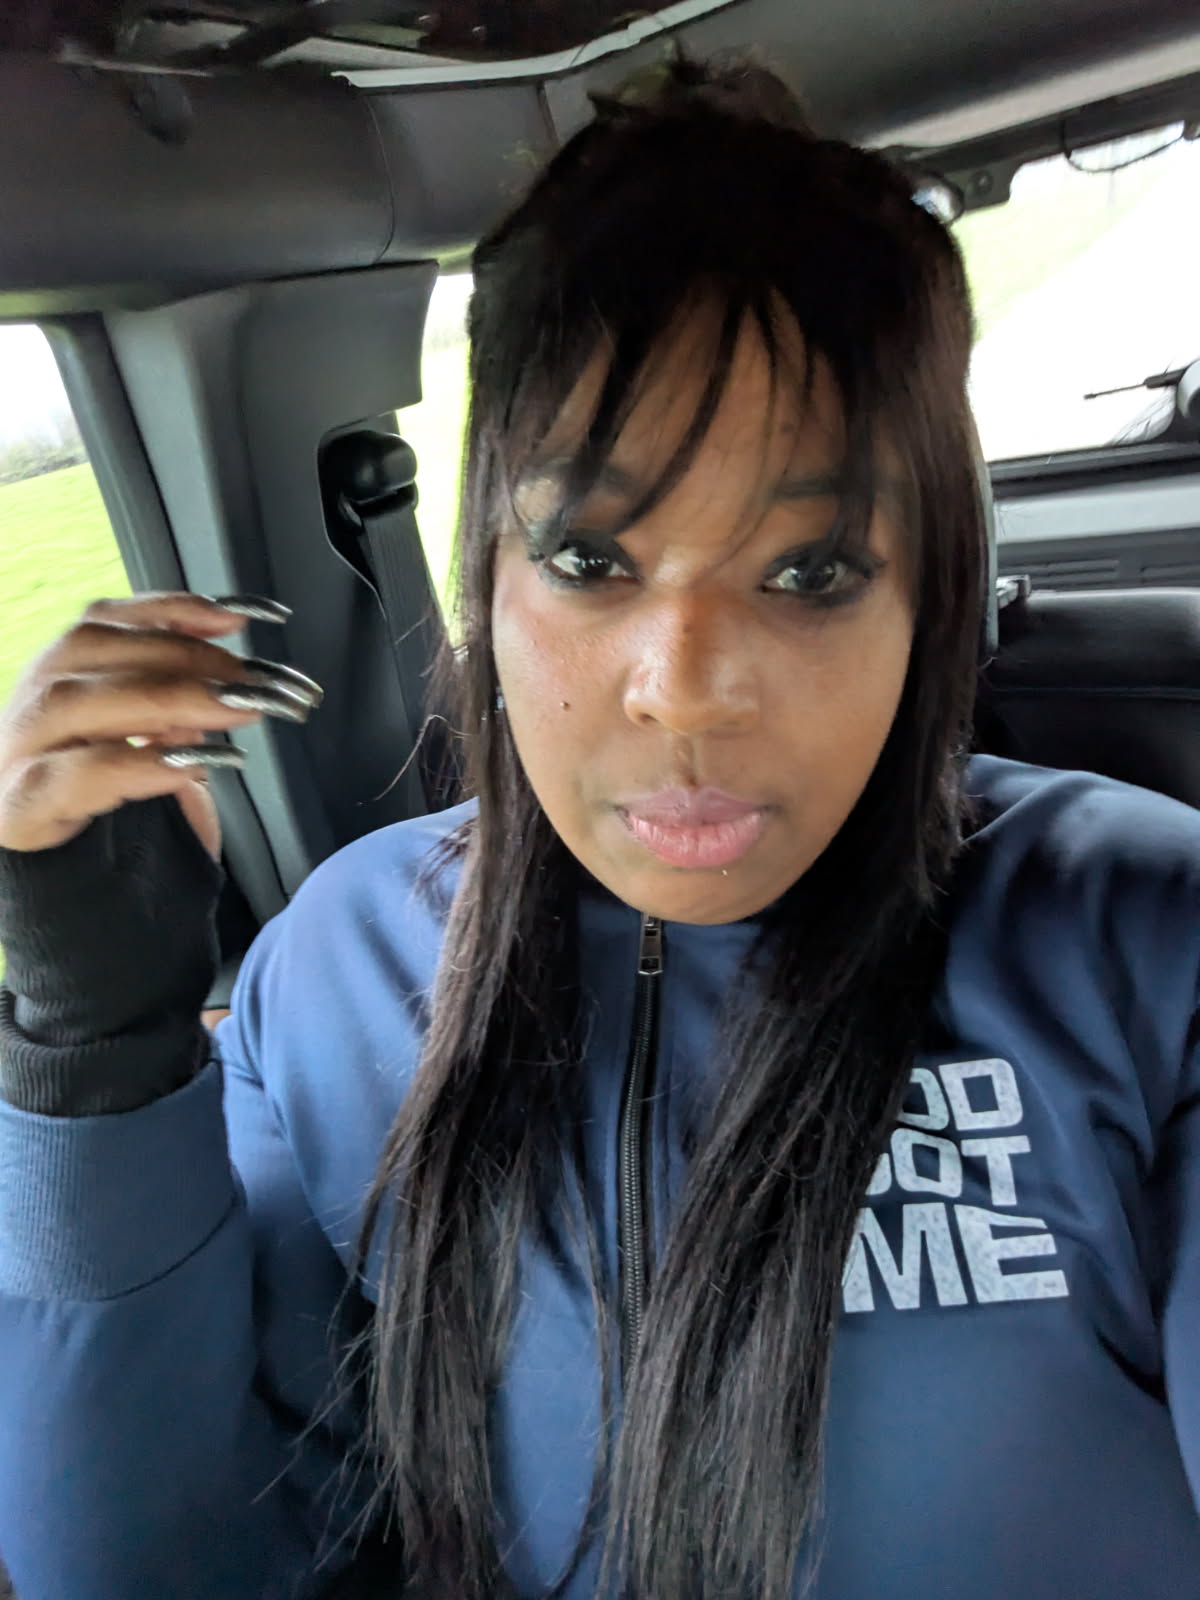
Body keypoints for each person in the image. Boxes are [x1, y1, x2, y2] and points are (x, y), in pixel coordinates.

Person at [0, 55, 1197, 1600]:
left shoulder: (1142, 939)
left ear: (929, 597)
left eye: (811, 572)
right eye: (589, 559)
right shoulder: (348, 969)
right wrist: (98, 1045)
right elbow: (149, 1568)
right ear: (488, 577)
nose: (682, 691)